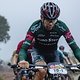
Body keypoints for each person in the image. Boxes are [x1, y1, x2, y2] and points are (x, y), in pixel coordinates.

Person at [18, 2, 80, 80]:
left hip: (53, 53)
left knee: (59, 74)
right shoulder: (35, 27)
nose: (50, 23)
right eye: (48, 20)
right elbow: (24, 48)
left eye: (53, 20)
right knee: (42, 71)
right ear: (42, 18)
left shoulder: (61, 26)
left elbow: (75, 48)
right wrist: (22, 60)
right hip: (38, 52)